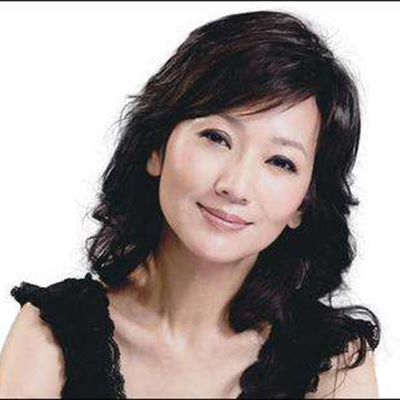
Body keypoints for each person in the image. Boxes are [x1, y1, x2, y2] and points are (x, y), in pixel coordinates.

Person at [0, 10, 380, 398]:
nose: (235, 186)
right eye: (216, 137)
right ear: (156, 148)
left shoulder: (334, 362)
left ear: (304, 203)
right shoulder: (50, 333)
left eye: (280, 162)